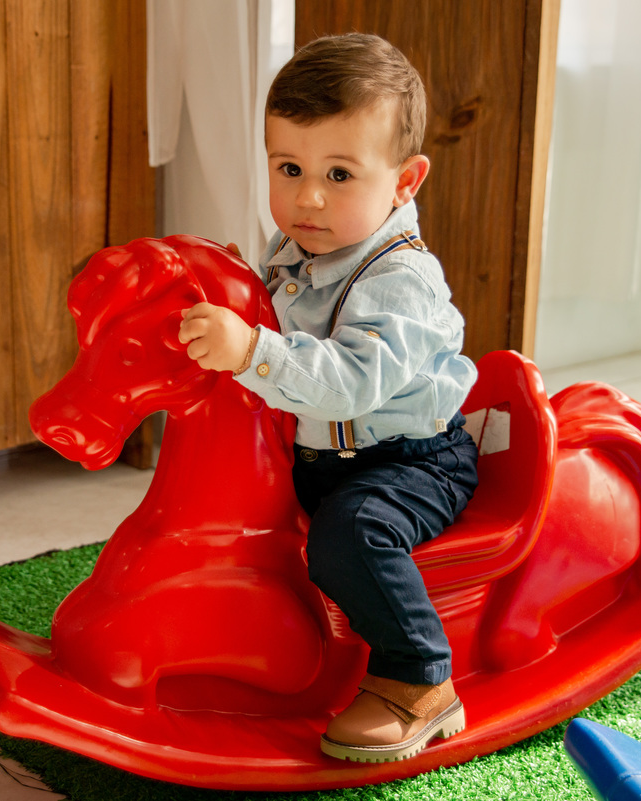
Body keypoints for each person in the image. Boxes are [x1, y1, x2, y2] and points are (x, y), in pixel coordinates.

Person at [177, 32, 479, 763]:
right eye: (289, 167)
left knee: (352, 530)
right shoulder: (299, 247)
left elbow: (346, 381)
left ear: (406, 181)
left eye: (340, 174)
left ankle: (419, 679)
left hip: (410, 460)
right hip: (323, 450)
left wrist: (251, 349)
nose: (307, 197)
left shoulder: (400, 279)